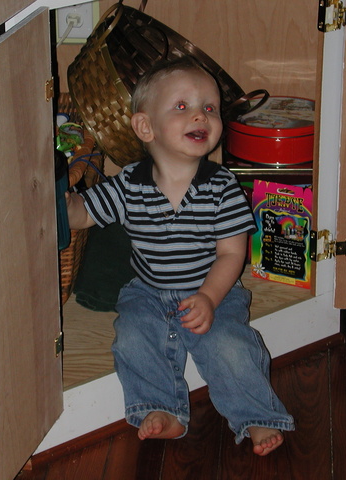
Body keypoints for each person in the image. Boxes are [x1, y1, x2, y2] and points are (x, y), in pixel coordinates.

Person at [66, 56, 294, 455]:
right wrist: (60, 199)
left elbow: (232, 254)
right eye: (183, 106)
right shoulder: (128, 184)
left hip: (214, 290)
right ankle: (161, 407)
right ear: (145, 127)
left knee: (230, 346)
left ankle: (257, 414)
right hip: (148, 291)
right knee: (133, 336)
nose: (201, 116)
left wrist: (209, 297)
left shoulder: (221, 187)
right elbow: (84, 214)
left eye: (210, 108)